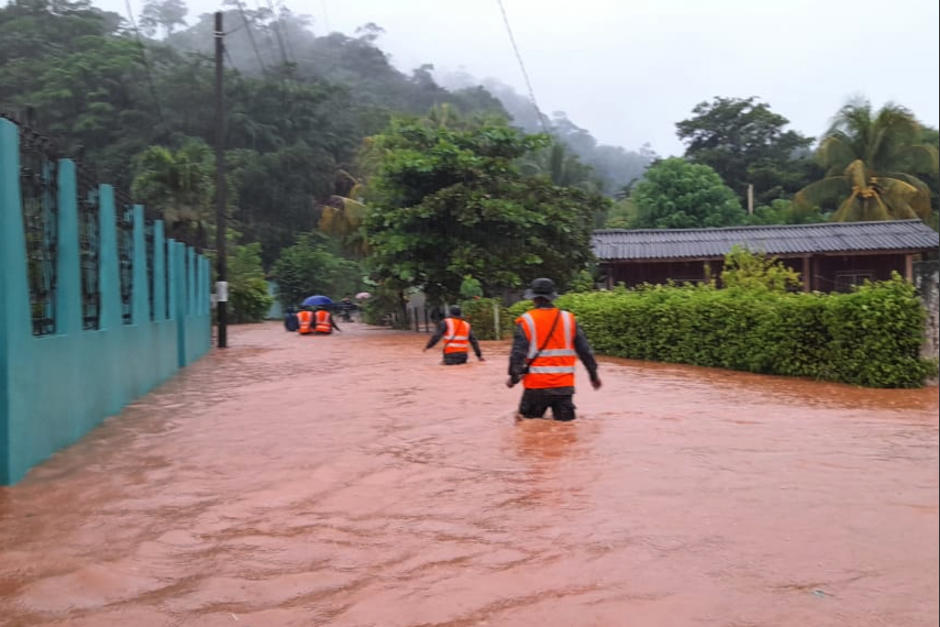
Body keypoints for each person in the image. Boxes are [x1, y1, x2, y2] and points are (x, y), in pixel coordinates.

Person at [506, 278, 601, 421]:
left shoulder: (526, 320)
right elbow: (585, 352)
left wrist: (513, 378)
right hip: (564, 387)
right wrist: (593, 376)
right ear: (552, 297)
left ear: (534, 298)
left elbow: (517, 355)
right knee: (567, 432)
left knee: (526, 429)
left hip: (536, 387)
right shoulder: (569, 319)